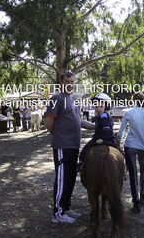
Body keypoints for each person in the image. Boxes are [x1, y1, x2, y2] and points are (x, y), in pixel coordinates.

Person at [44, 71, 95, 224]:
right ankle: (57, 213)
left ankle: (65, 207)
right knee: (61, 179)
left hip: (73, 146)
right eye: (67, 81)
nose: (70, 84)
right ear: (61, 82)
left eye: (72, 81)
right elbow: (48, 123)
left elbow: (81, 122)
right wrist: (60, 135)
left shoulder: (73, 100)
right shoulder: (56, 98)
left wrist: (97, 126)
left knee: (70, 179)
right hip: (62, 146)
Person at [117, 92, 144, 214]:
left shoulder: (129, 113)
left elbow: (121, 132)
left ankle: (135, 202)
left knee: (132, 173)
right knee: (143, 172)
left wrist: (118, 145)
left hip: (130, 145)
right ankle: (143, 196)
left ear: (133, 101)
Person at [76, 93, 118, 172]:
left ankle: (81, 162)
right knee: (118, 152)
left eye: (101, 107)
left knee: (85, 149)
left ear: (106, 107)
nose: (98, 109)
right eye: (96, 107)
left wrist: (102, 139)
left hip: (103, 139)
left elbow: (106, 129)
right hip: (111, 139)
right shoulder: (105, 116)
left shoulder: (103, 117)